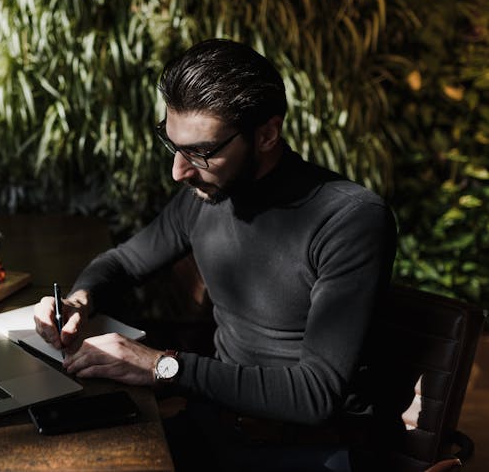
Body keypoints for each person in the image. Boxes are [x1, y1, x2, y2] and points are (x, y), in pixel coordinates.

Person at [34, 38, 396, 471]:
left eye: (201, 153)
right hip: (214, 429)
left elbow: (314, 394)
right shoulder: (207, 193)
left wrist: (162, 367)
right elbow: (123, 262)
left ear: (266, 134)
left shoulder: (350, 220)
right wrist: (79, 300)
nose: (178, 171)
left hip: (309, 452)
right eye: (173, 146)